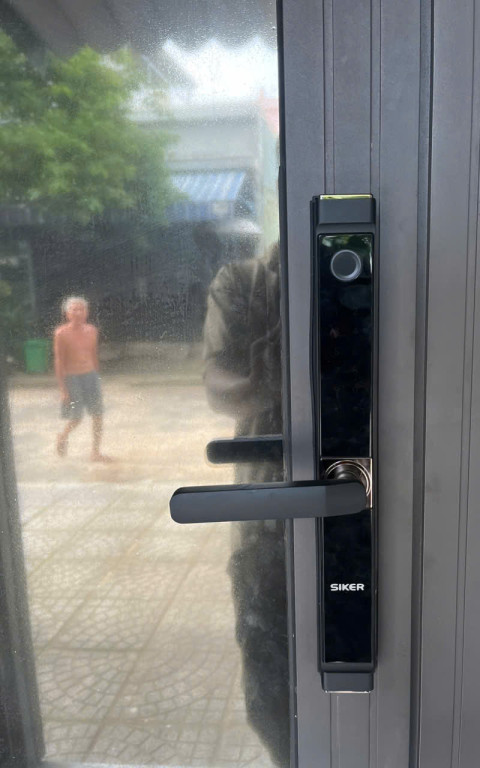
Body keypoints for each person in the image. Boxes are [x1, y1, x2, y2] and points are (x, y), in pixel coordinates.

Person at [203, 242, 289, 768]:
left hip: (380, 498)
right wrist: (259, 385)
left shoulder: (396, 265)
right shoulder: (245, 282)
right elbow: (217, 384)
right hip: (269, 512)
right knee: (270, 690)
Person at [54, 296, 109, 461]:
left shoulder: (92, 330)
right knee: (76, 417)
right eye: (74, 309)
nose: (78, 312)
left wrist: (96, 376)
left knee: (98, 415)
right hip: (72, 378)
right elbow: (59, 361)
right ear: (67, 313)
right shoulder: (61, 333)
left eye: (81, 309)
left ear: (87, 312)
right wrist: (63, 390)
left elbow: (93, 354)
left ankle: (95, 452)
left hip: (90, 375)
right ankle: (62, 436)